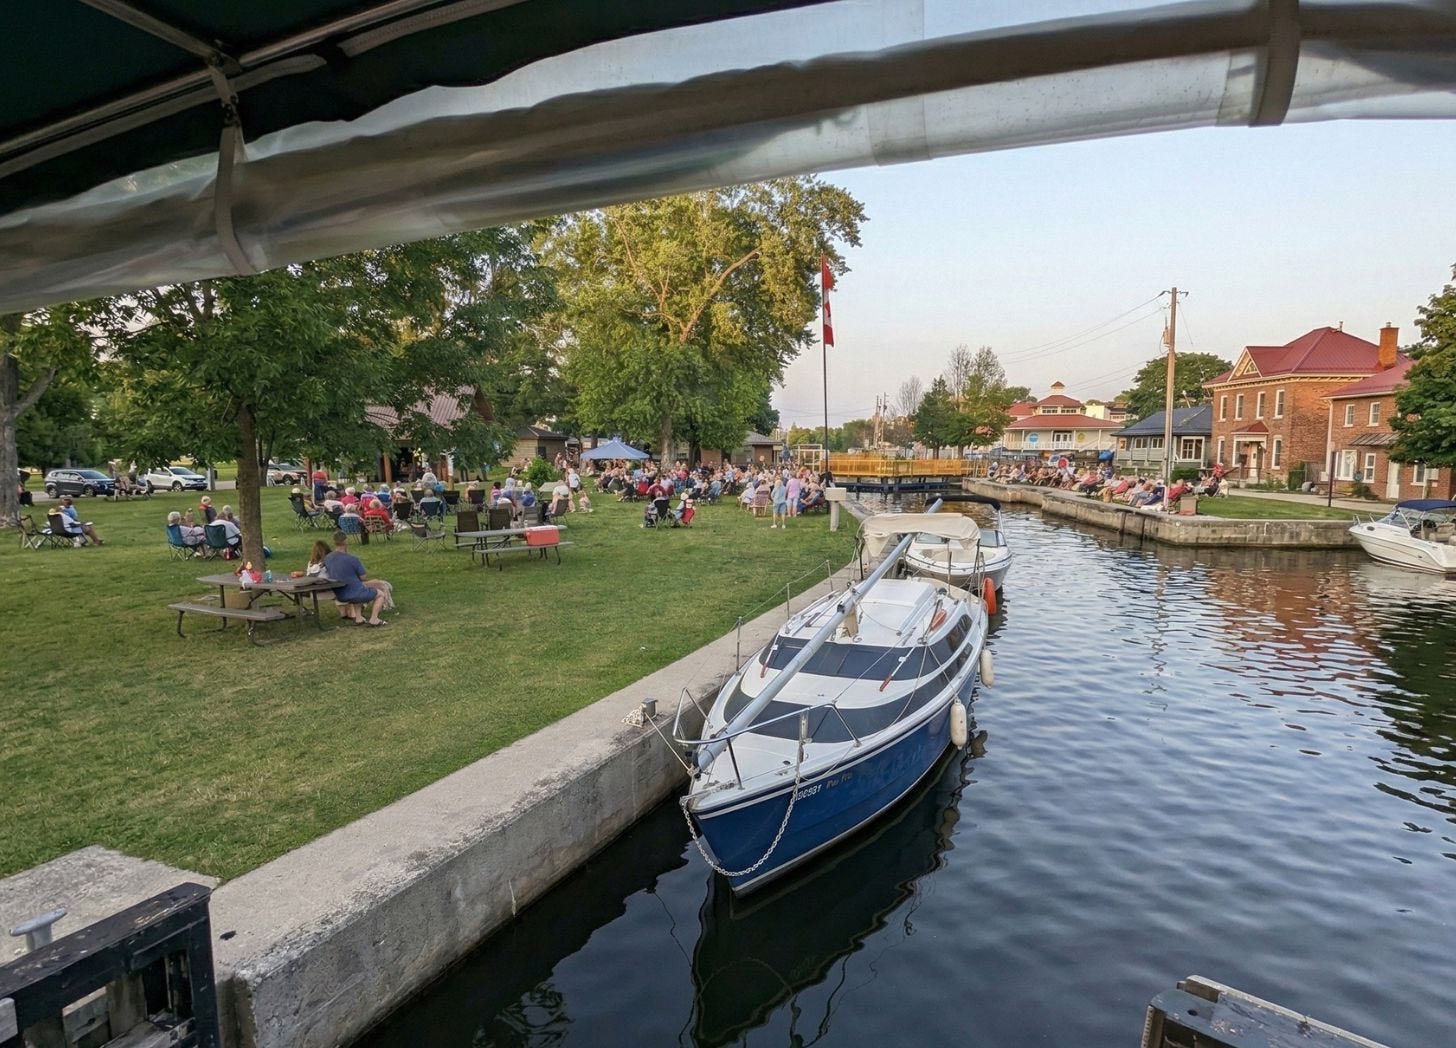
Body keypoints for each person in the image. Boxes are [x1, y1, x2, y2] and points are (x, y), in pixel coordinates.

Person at [323, 530, 391, 626]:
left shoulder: (327, 558)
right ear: (346, 541)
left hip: (339, 593)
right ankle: (374, 619)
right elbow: (363, 577)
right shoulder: (352, 559)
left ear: (334, 542)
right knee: (380, 595)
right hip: (353, 592)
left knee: (356, 587)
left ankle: (359, 618)